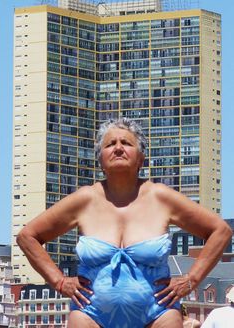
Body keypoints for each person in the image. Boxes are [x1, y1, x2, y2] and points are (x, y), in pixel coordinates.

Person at [17, 118, 232, 328]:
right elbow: (28, 236)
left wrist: (191, 280)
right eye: (110, 144)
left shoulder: (161, 197)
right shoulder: (84, 200)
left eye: (126, 143)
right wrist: (59, 281)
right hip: (90, 315)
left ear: (141, 158)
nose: (118, 148)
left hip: (158, 315)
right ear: (100, 159)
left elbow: (220, 231)